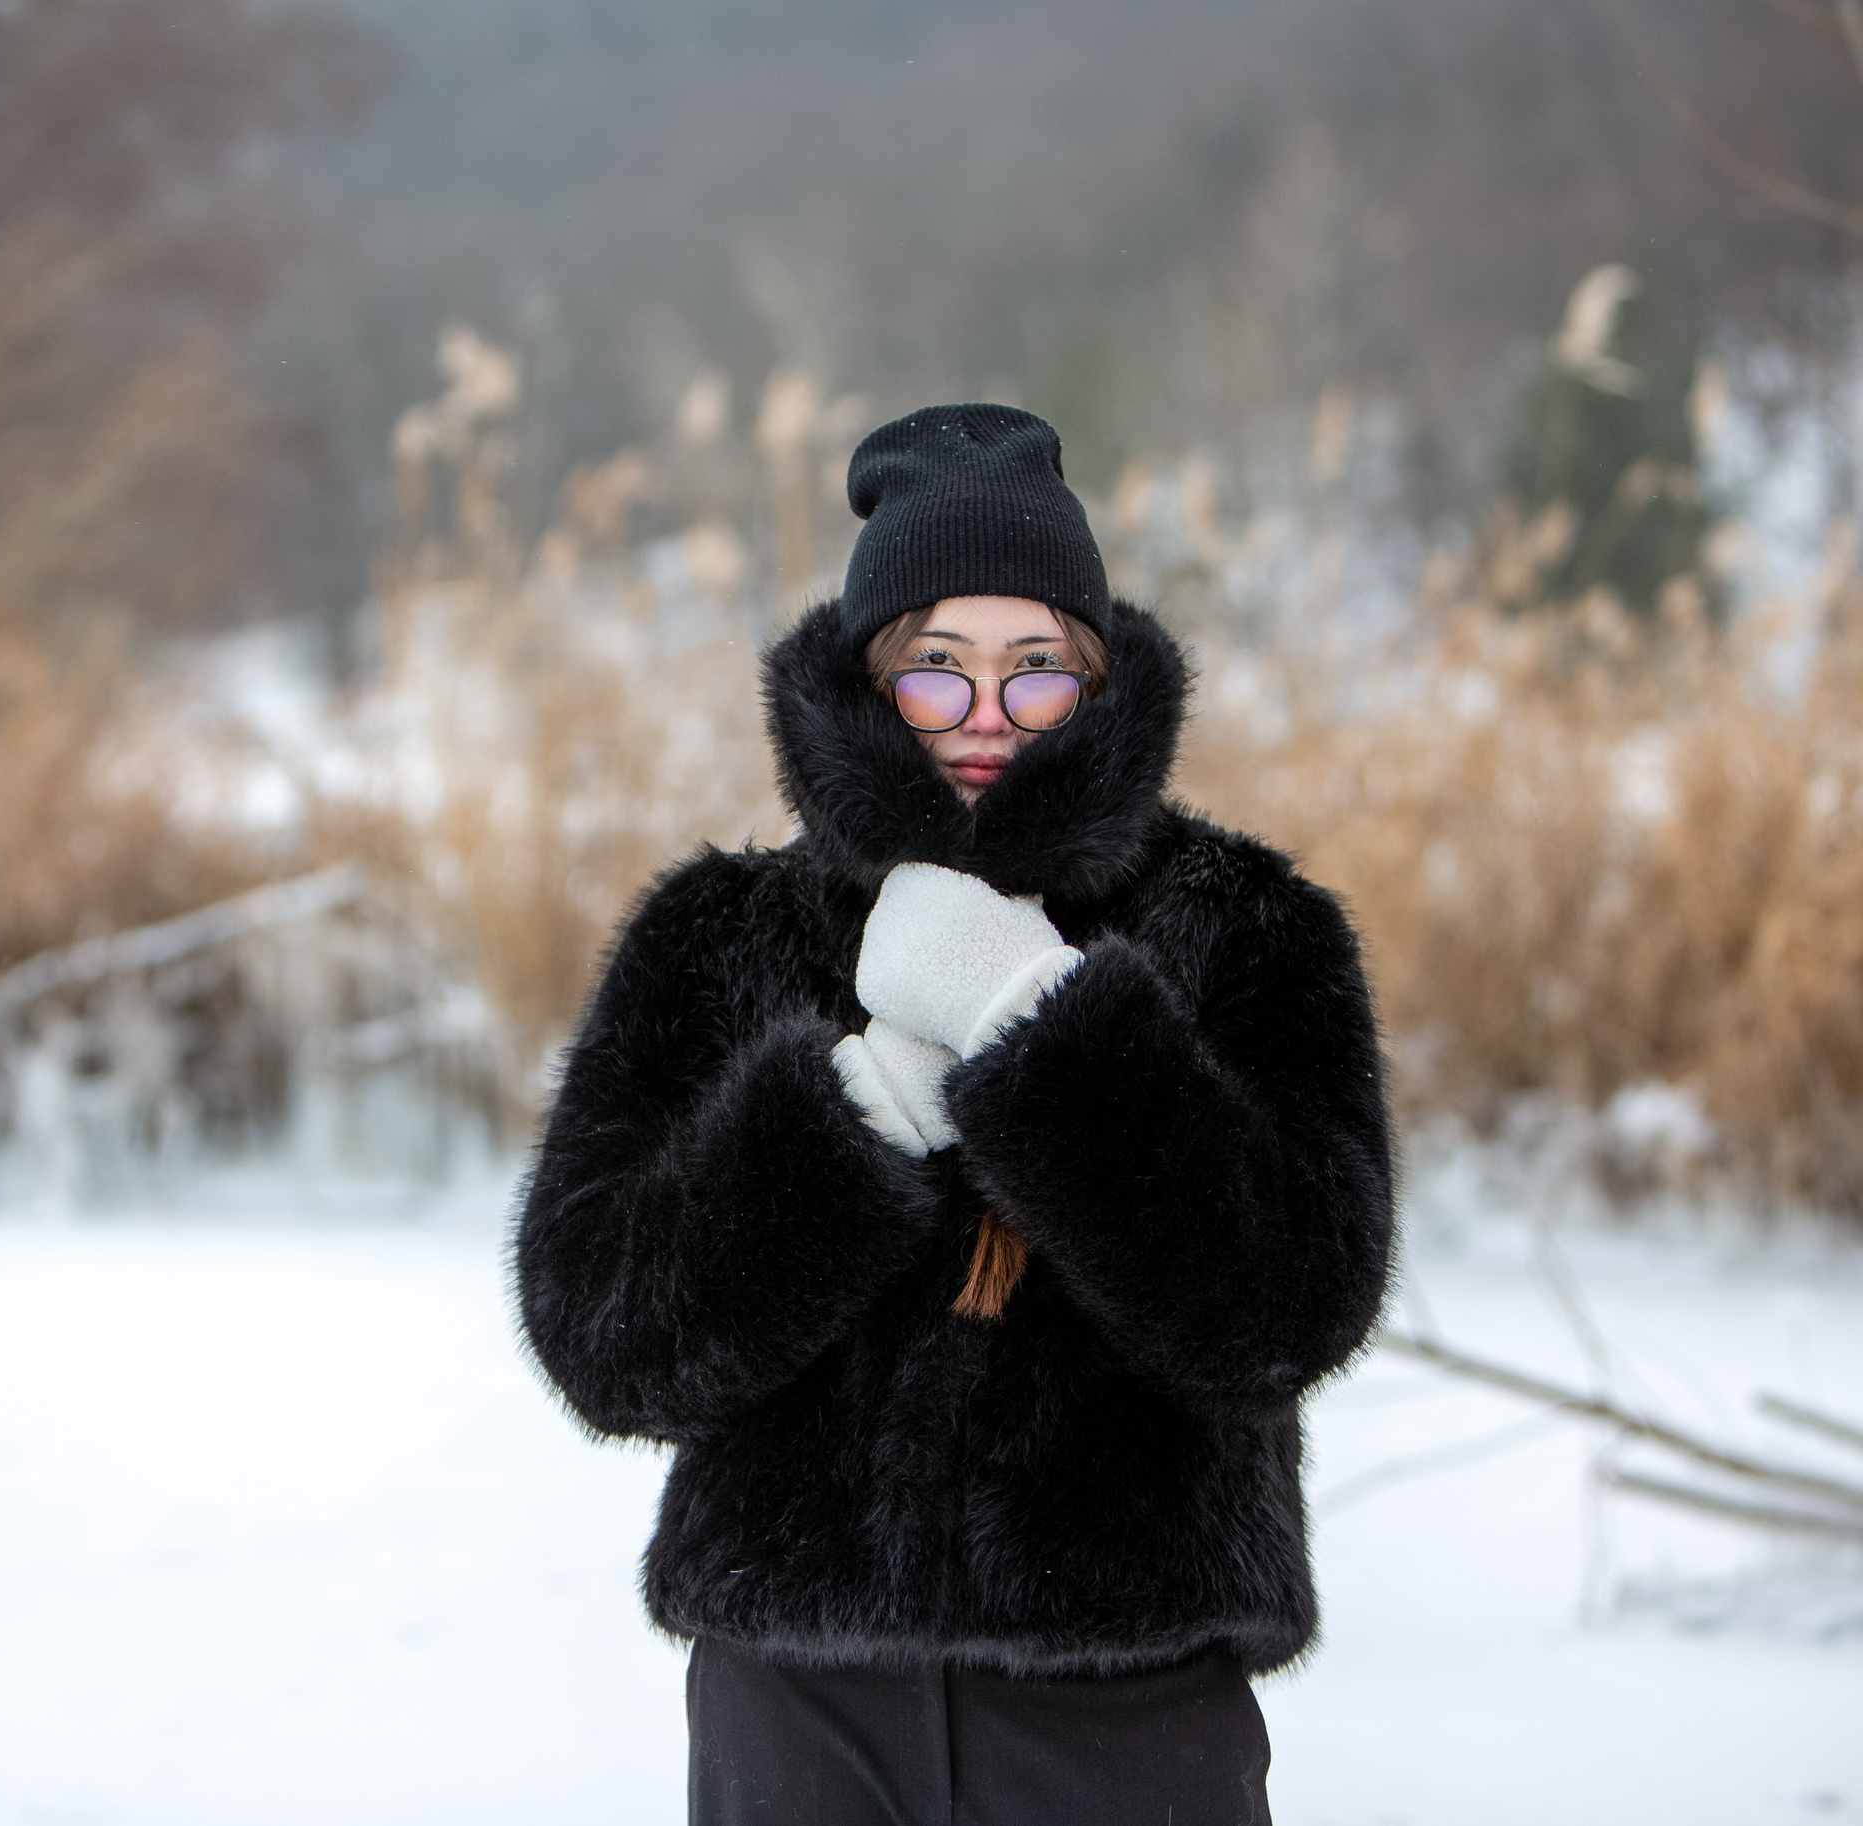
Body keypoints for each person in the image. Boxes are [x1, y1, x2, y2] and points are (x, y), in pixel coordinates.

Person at [512, 405, 1395, 1826]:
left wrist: (1043, 1026)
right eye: (935, 669)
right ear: (867, 684)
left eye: (1037, 668)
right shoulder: (717, 936)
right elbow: (606, 1335)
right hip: (797, 1704)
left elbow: (1291, 1305)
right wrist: (849, 1117)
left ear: (1101, 686)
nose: (987, 716)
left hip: (1131, 1706)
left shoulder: (1247, 929)